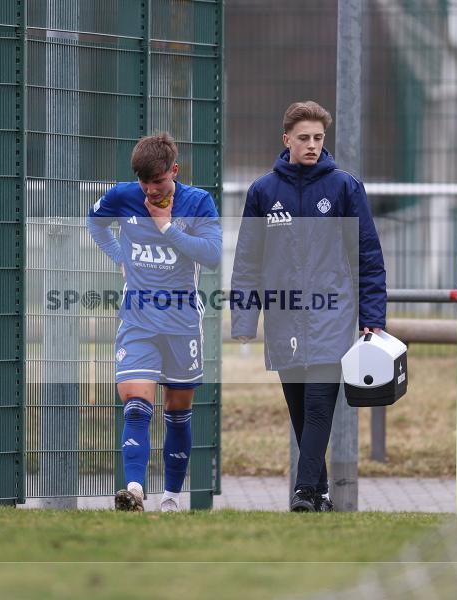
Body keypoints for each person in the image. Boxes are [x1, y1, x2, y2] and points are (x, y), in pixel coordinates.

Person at [231, 101, 387, 512]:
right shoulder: (263, 192)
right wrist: (245, 317)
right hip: (283, 317)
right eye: (304, 138)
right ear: (287, 140)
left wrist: (371, 318)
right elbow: (247, 261)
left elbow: (367, 258)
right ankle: (318, 493)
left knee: (319, 404)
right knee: (299, 410)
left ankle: (302, 493)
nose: (313, 145)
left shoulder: (344, 188)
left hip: (332, 315)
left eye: (319, 138)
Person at [86, 133, 221, 512]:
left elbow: (211, 255)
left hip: (182, 323)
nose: (150, 191)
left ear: (173, 172)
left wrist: (166, 228)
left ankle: (172, 499)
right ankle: (133, 489)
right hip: (138, 320)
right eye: (144, 183)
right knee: (135, 402)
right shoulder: (122, 196)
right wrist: (119, 257)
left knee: (177, 412)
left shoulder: (198, 202)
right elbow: (95, 223)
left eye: (158, 182)